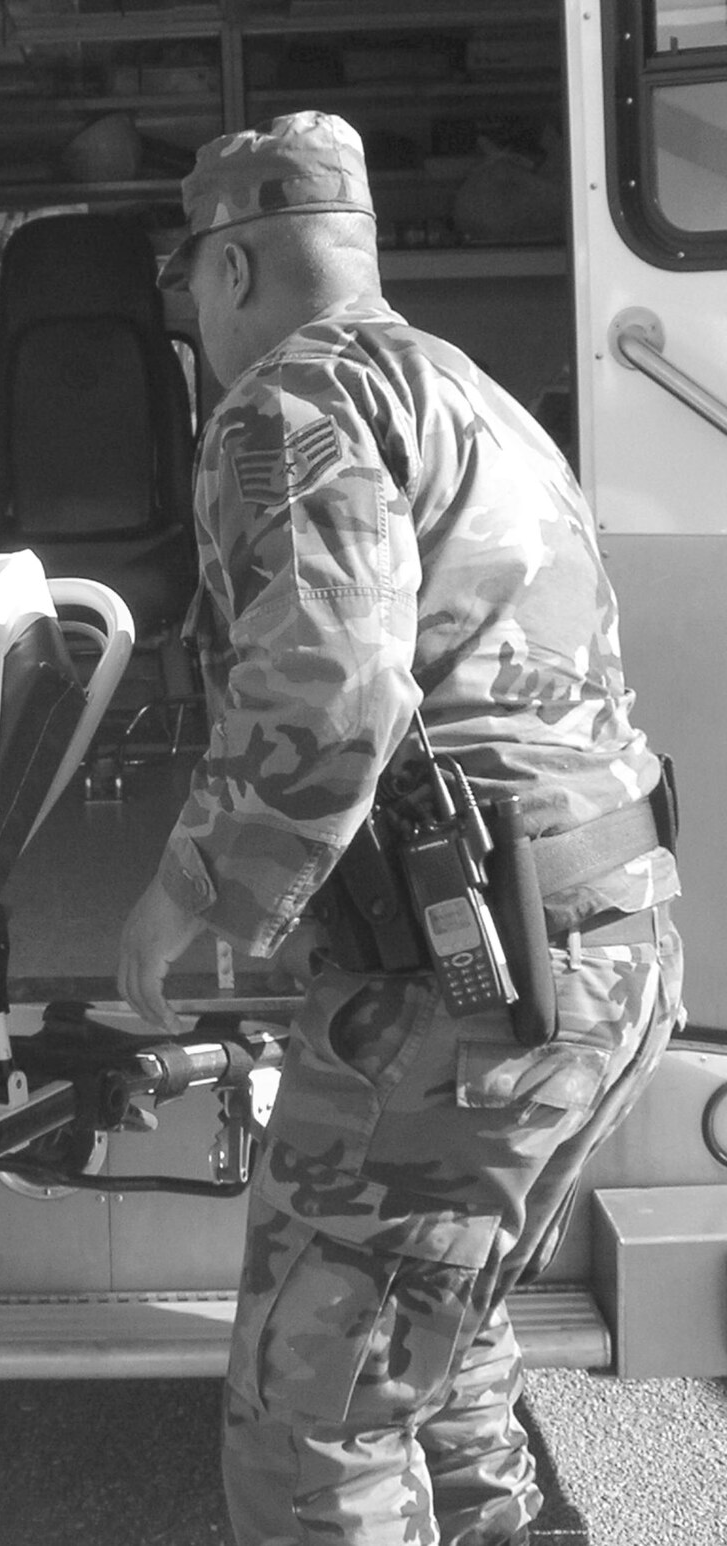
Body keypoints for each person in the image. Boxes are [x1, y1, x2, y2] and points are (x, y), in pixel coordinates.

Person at [116, 112, 682, 1546]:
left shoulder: (286, 407)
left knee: (313, 1415)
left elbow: (329, 687)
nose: (190, 316)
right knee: (436, 1336)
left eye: (189, 284)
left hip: (462, 991)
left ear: (234, 267)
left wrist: (194, 898)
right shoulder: (474, 394)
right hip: (601, 951)